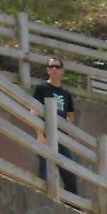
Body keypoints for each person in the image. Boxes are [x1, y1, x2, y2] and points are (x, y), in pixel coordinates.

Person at [32, 57, 78, 196]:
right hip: (46, 135)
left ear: (62, 70)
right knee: (45, 173)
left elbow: (70, 115)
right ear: (47, 69)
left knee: (70, 175)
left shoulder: (66, 94)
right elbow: (33, 111)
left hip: (61, 138)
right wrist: (40, 135)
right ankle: (43, 200)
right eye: (51, 66)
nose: (54, 69)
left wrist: (66, 127)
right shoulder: (42, 88)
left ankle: (73, 205)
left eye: (57, 67)